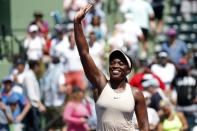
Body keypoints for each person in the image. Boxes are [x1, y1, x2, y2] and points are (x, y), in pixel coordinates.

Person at [73, 2, 149, 131]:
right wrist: (77, 23)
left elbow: (144, 126)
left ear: (128, 70)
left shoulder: (136, 94)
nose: (115, 65)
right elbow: (84, 54)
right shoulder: (101, 85)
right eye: (112, 62)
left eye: (120, 63)